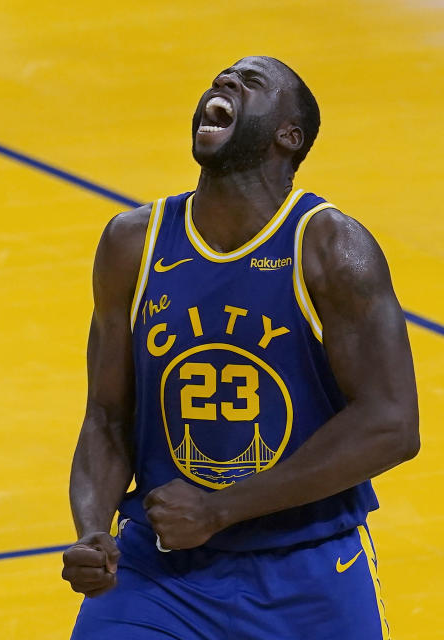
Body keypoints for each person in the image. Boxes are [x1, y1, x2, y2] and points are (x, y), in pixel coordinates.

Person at [62, 55, 420, 640]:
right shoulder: (133, 243)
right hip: (162, 571)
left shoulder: (331, 248)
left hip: (307, 569)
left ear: (289, 135)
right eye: (219, 78)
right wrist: (91, 529)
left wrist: (220, 508)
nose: (223, 83)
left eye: (250, 82)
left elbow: (392, 425)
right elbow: (106, 415)